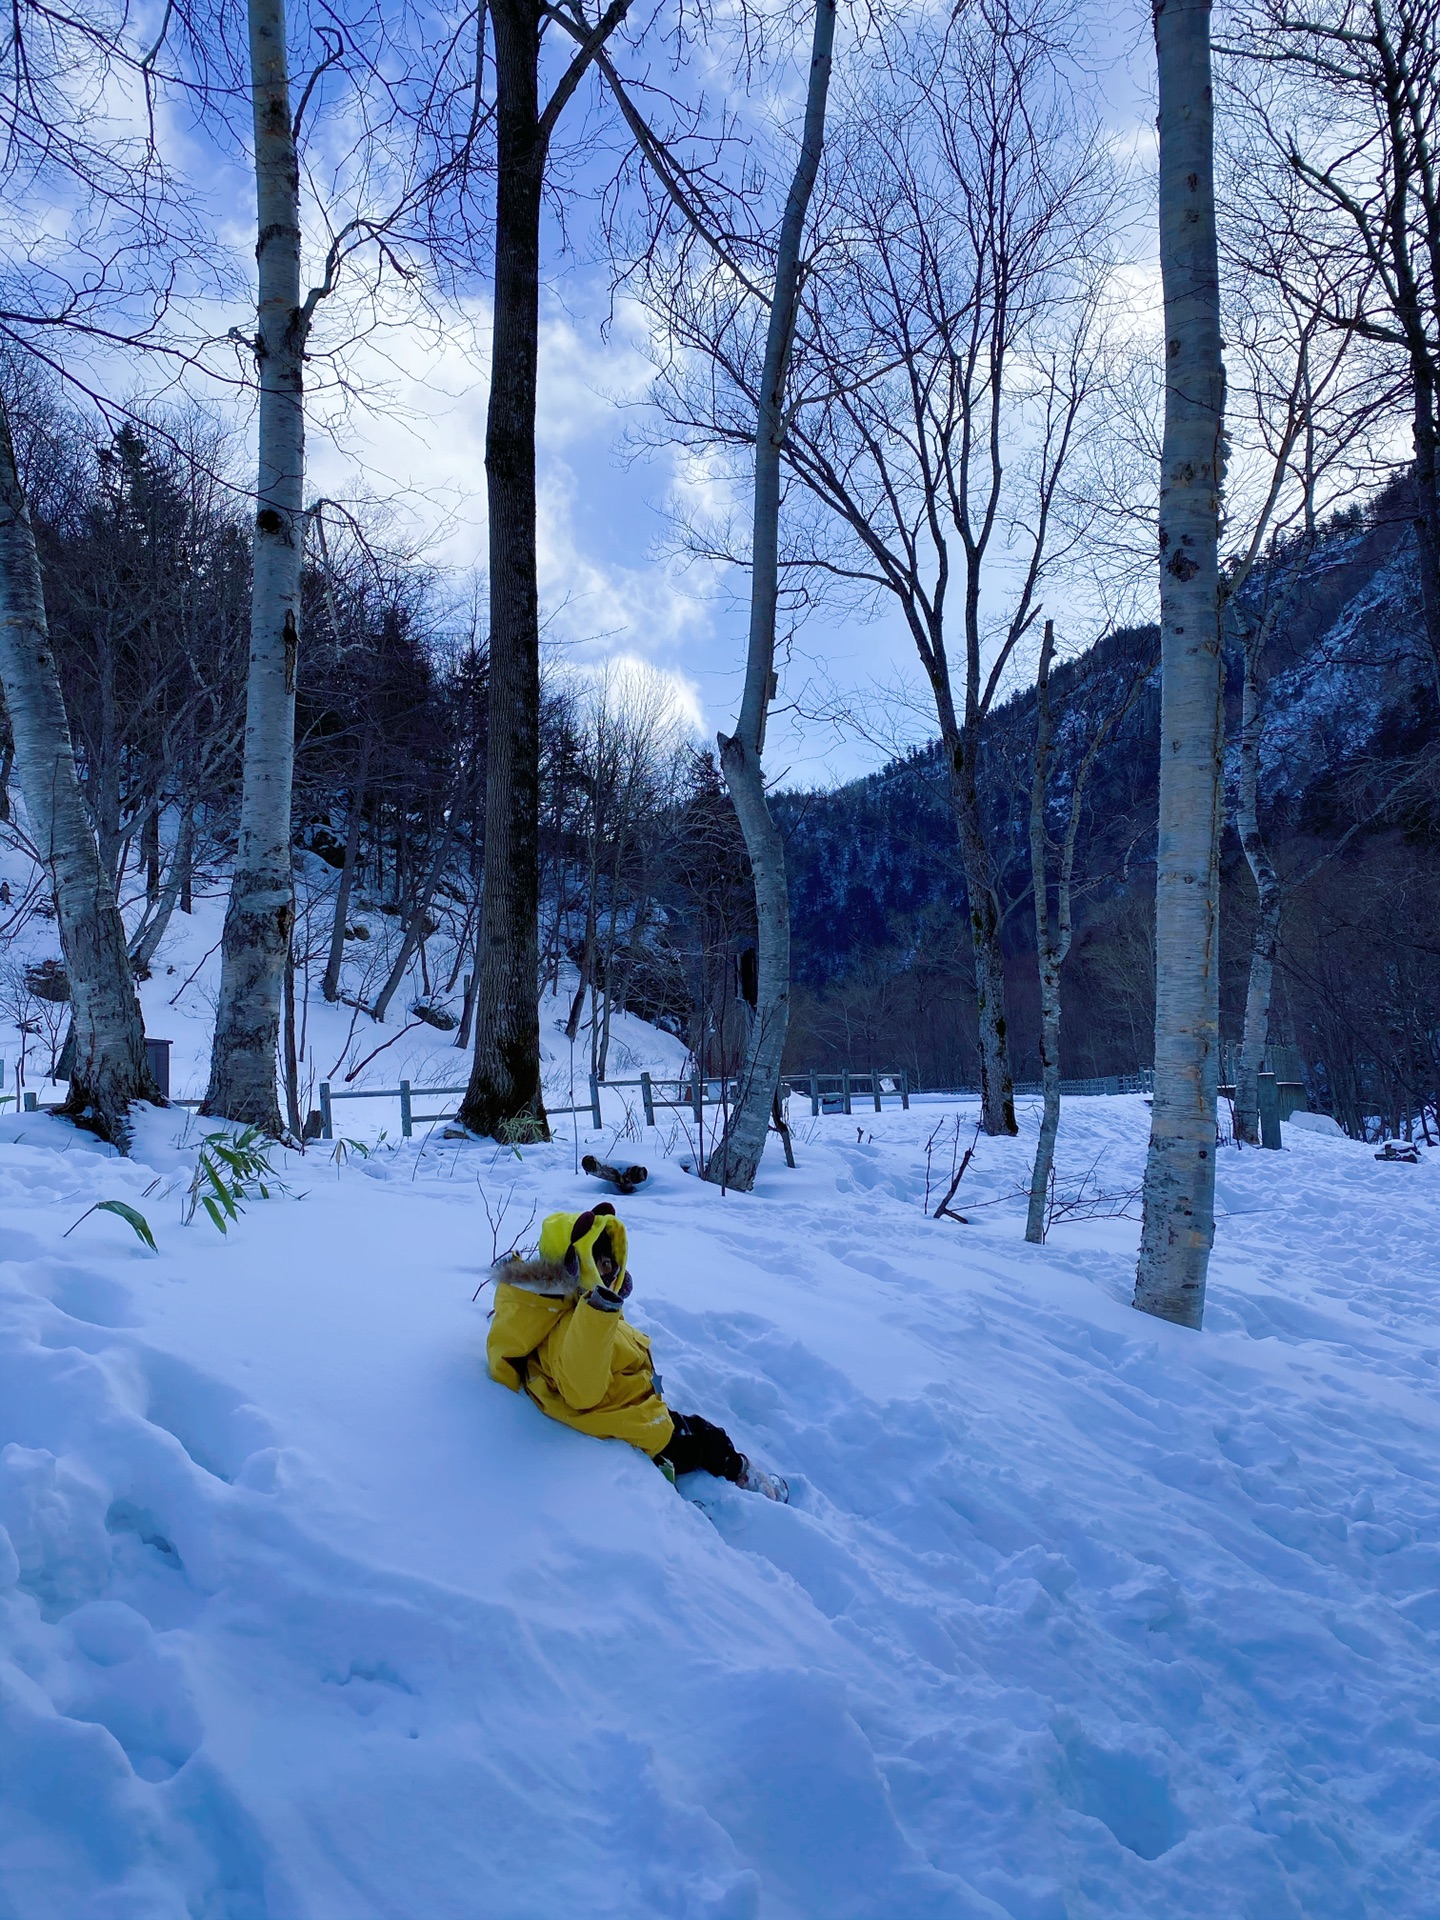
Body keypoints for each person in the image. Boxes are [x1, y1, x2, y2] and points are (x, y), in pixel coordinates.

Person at [486, 1205, 787, 1499]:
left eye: (610, 1262)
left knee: (699, 1432)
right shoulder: (577, 1320)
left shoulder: (575, 1304)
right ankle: (749, 1481)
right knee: (711, 1441)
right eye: (600, 1261)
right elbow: (582, 1392)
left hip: (630, 1403)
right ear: (575, 1263)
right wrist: (597, 1315)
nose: (610, 1269)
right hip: (626, 1418)